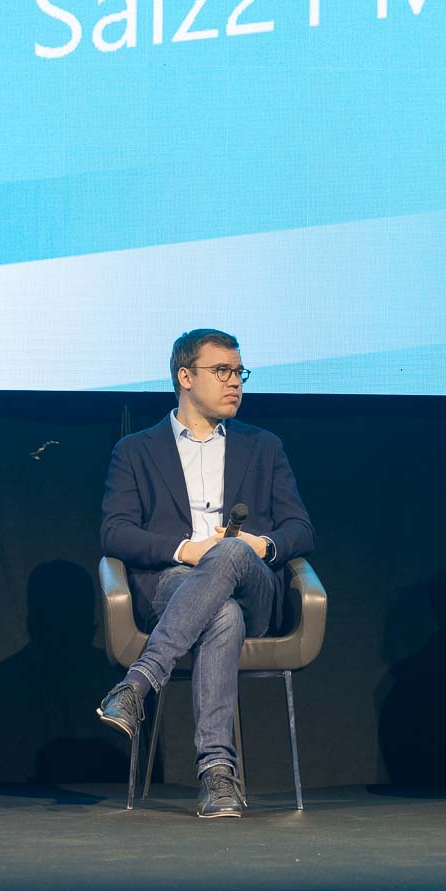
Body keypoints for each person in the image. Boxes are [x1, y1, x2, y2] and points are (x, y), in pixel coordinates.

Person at [96, 329, 315, 818]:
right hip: (174, 583)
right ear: (185, 377)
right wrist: (186, 550)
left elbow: (301, 528)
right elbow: (115, 532)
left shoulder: (264, 446)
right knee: (222, 616)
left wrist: (260, 545)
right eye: (222, 371)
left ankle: (138, 684)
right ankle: (217, 774)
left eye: (239, 373)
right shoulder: (136, 450)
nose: (235, 382)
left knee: (231, 554)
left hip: (255, 587)